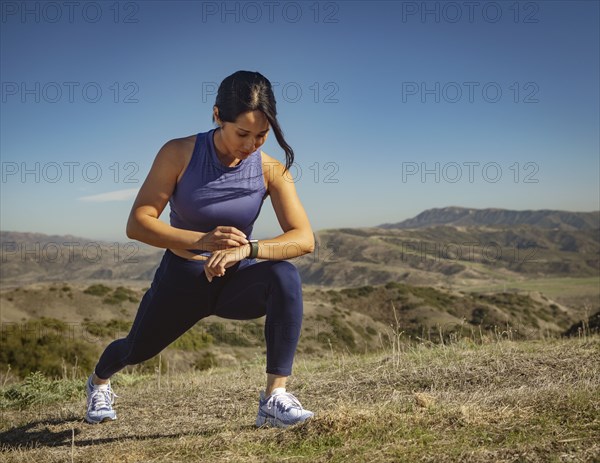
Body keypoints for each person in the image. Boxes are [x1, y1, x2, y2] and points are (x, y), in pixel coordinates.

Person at [84, 70, 315, 428]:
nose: (251, 145)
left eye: (261, 135)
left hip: (235, 280)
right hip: (183, 279)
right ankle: (99, 383)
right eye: (242, 133)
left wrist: (248, 250)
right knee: (135, 349)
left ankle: (274, 398)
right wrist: (200, 241)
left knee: (284, 275)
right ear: (217, 115)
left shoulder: (271, 169)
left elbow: (303, 238)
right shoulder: (179, 153)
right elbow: (139, 222)